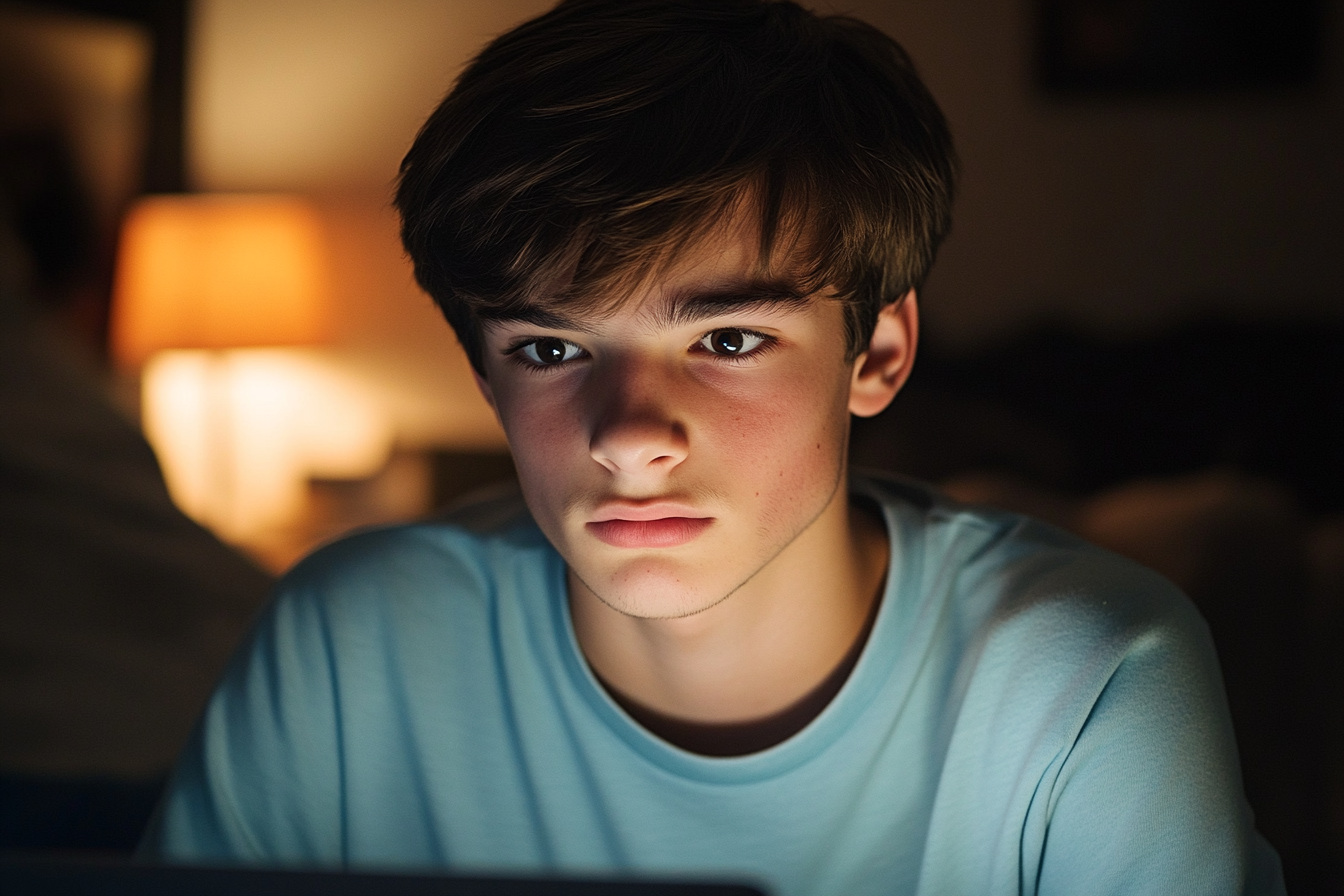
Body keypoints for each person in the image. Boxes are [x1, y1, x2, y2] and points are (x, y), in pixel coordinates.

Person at [142, 1, 1284, 892]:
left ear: (877, 350)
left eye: (728, 336)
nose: (632, 435)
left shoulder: (1087, 675)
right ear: (483, 373)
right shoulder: (348, 645)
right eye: (550, 349)